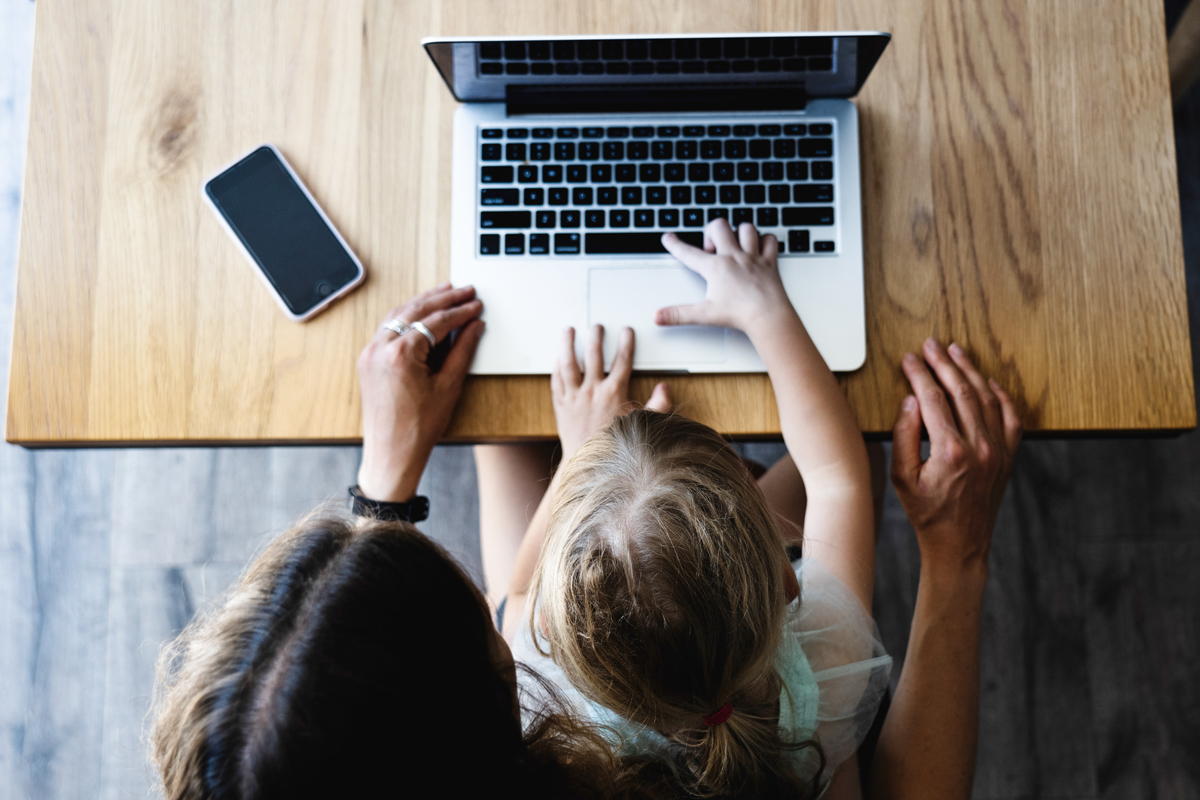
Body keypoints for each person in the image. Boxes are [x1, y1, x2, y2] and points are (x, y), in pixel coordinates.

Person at [476, 219, 1021, 800]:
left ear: (561, 631)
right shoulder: (825, 660)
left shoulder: (543, 684)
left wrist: (578, 454)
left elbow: (518, 588)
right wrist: (765, 309)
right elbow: (839, 476)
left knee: (494, 429)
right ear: (790, 578)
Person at [149, 285, 674, 800]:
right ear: (492, 707)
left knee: (495, 409)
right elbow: (519, 615)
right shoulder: (625, 726)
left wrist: (383, 485)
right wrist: (589, 471)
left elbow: (516, 614)